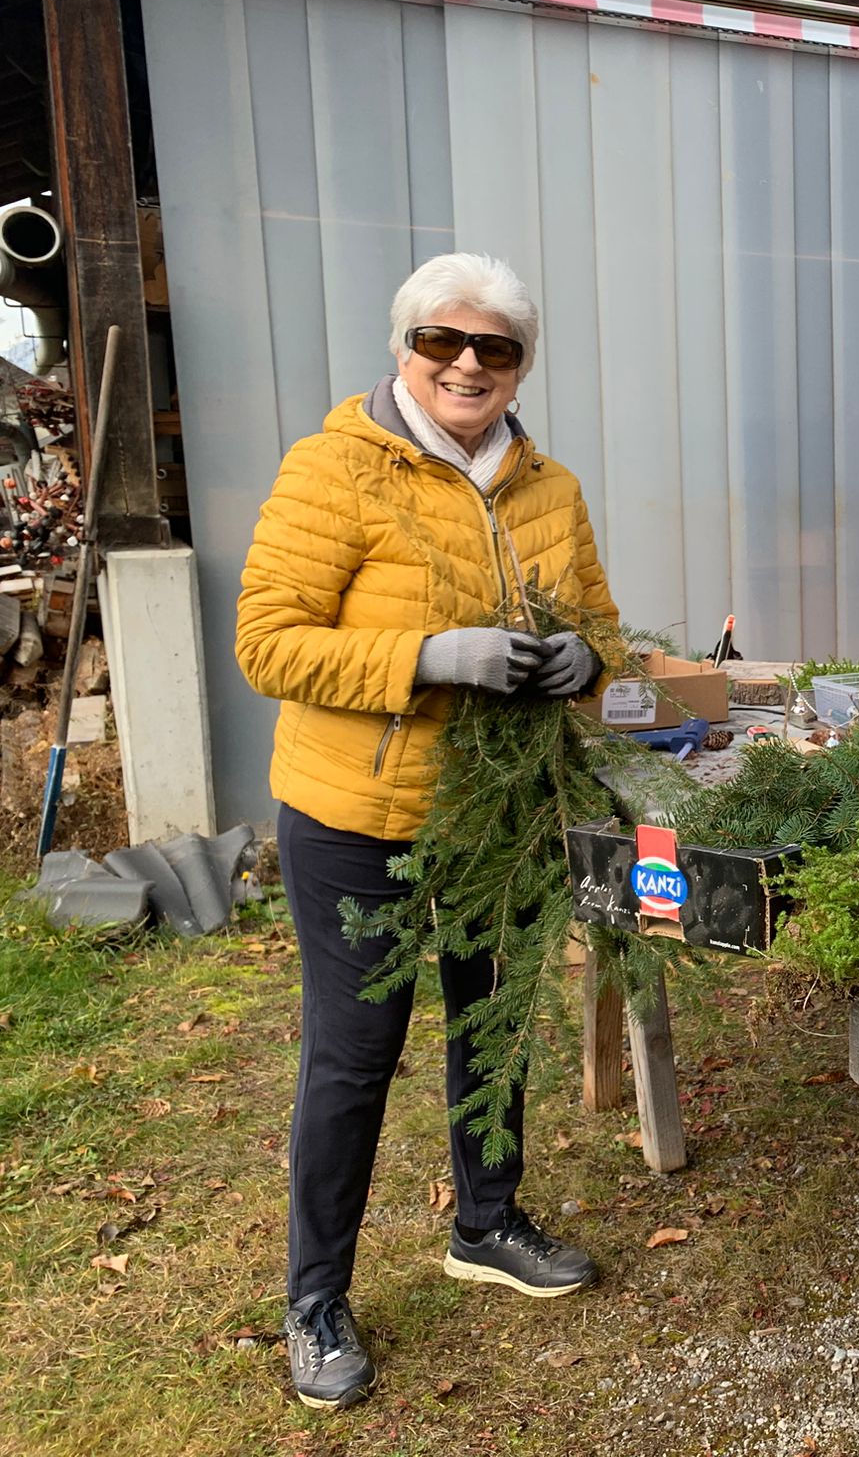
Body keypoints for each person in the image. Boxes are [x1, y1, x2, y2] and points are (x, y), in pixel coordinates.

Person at [237, 253, 619, 1410]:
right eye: (442, 341)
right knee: (355, 1053)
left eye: (494, 347)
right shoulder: (334, 469)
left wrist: (586, 660)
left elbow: (603, 627)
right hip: (360, 815)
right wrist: (425, 657)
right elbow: (268, 643)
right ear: (404, 349)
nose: (466, 364)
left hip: (499, 811)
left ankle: (486, 1223)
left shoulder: (548, 488)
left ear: (520, 366)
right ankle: (316, 1298)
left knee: (493, 1022)